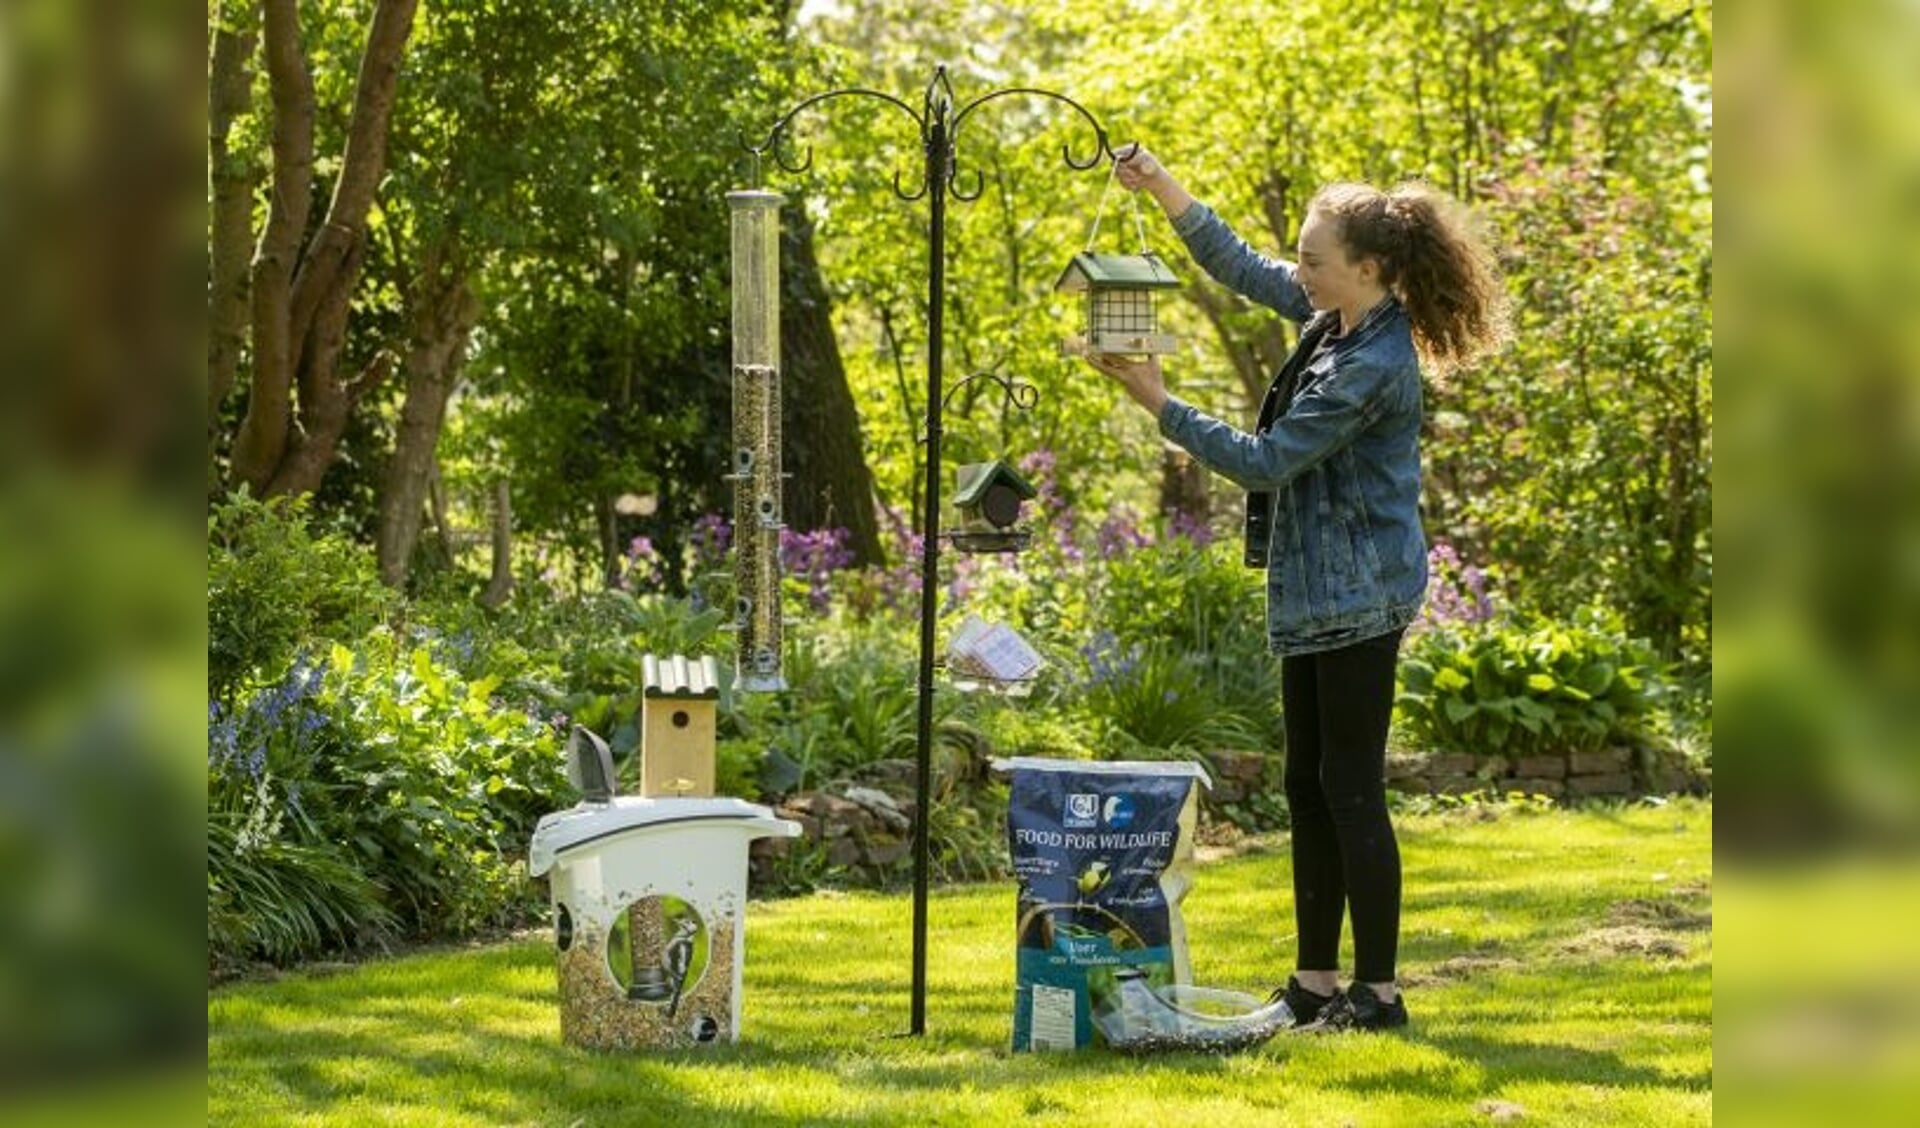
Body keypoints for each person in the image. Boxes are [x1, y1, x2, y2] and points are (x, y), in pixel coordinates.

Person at [1089, 145, 1509, 1032]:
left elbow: (1268, 461)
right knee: (1307, 786)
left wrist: (1160, 404)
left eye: (1315, 260)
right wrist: (1163, 183)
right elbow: (1243, 266)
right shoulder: (1336, 319)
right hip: (1313, 592)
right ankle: (1316, 983)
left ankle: (1381, 995)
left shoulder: (1374, 364)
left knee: (1350, 787)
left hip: (1362, 594)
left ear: (1370, 269)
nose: (1300, 271)